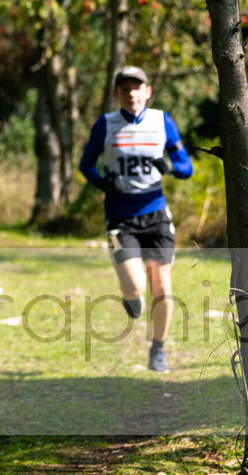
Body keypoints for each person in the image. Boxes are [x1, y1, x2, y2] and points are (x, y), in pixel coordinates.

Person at [79, 65, 193, 372]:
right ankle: (131, 298)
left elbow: (186, 167)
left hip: (156, 214)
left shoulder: (162, 121)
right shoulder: (105, 124)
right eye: (125, 89)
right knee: (134, 288)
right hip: (120, 217)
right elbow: (86, 165)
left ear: (147, 91)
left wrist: (171, 166)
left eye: (137, 87)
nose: (132, 94)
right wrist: (103, 183)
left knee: (162, 287)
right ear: (116, 94)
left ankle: (158, 349)